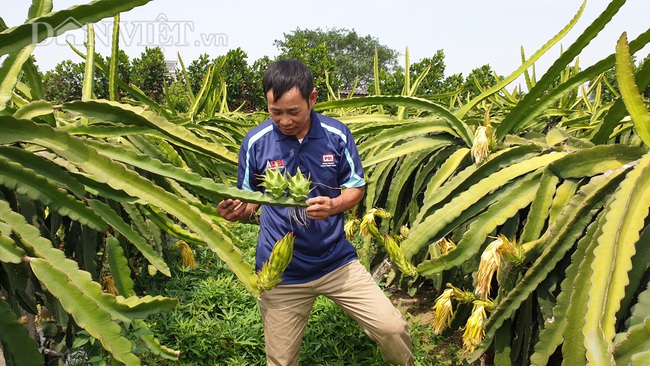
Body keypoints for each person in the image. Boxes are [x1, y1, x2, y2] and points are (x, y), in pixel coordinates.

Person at [217, 59, 413, 366]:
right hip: (281, 272)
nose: (284, 120)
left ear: (313, 98)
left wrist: (334, 205)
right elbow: (249, 200)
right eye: (275, 111)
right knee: (280, 362)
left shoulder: (336, 135)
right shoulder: (255, 143)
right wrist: (237, 211)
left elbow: (356, 187)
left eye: (293, 111)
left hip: (336, 261)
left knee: (392, 328)